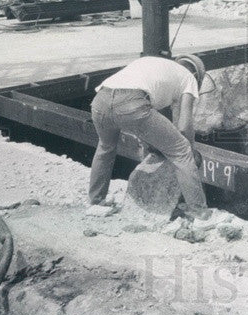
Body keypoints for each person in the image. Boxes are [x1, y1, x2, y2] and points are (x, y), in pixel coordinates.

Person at [88, 53, 211, 220]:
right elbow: (184, 124)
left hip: (100, 101)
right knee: (181, 150)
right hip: (132, 104)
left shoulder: (154, 64)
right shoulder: (189, 78)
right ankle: (200, 213)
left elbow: (146, 122)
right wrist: (189, 148)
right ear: (197, 75)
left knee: (105, 146)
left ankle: (96, 202)